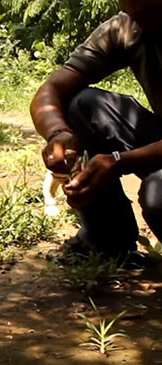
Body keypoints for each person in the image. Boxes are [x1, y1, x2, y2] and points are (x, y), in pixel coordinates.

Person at [31, 0, 162, 262]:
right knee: (82, 103)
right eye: (131, 11)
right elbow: (51, 91)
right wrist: (58, 134)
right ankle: (105, 244)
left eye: (149, 13)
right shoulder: (128, 27)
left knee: (158, 196)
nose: (138, 20)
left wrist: (120, 161)